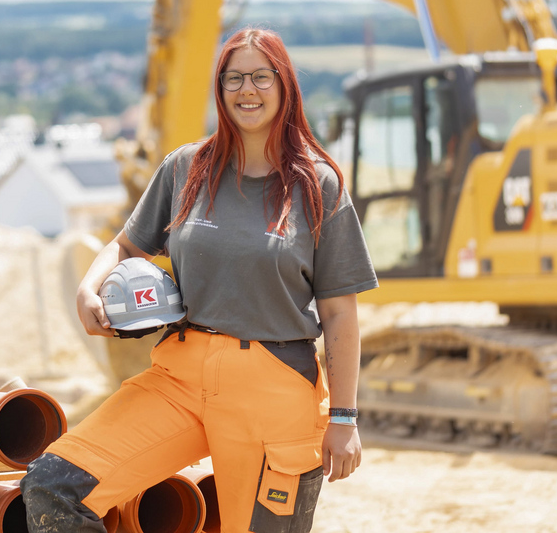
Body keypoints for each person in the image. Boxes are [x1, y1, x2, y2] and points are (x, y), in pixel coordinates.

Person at [20, 27, 378, 533]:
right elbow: (126, 246)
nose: (247, 90)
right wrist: (88, 287)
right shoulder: (186, 169)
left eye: (261, 77)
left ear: (285, 85)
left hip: (273, 387)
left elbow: (340, 313)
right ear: (220, 87)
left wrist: (343, 418)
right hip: (180, 376)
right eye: (234, 78)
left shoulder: (320, 186)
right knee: (53, 486)